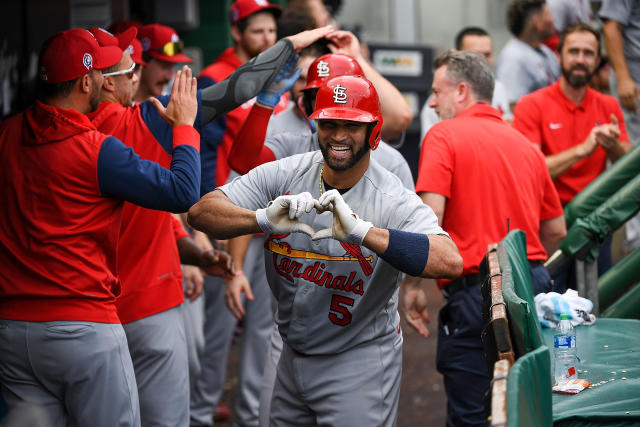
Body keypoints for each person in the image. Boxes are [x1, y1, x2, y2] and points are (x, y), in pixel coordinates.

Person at [188, 74, 463, 426]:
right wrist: (261, 219)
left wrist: (365, 232)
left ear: (373, 132)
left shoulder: (390, 196)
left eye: (350, 125)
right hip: (290, 353)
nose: (337, 135)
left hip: (357, 361)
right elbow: (201, 212)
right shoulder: (290, 171)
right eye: (329, 123)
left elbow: (449, 260)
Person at [0, 27, 203, 427]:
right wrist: (184, 126)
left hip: (12, 332)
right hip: (82, 327)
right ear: (88, 81)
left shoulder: (5, 135)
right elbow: (182, 192)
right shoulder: (93, 149)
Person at [87, 27, 235, 427]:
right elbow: (184, 194)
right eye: (131, 69)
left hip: (89, 316)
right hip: (142, 307)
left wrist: (199, 254)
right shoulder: (146, 120)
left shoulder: (65, 136)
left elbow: (153, 222)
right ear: (102, 82)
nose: (140, 77)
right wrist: (184, 124)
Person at [416, 50, 566, 426]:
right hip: (530, 289)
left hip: (476, 294)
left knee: (473, 415)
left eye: (437, 92)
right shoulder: (526, 147)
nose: (431, 102)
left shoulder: (442, 135)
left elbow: (428, 218)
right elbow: (556, 231)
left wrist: (412, 284)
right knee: (526, 408)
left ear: (462, 91)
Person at [513, 24, 632, 288]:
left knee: (596, 305)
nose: (580, 59)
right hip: (547, 225)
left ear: (598, 59)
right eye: (574, 51)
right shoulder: (532, 104)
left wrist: (611, 144)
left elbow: (626, 163)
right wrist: (583, 148)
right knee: (548, 303)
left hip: (596, 223)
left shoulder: (608, 104)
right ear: (559, 55)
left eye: (588, 53)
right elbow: (529, 170)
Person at [420, 26, 512, 142]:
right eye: (476, 55)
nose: (483, 61)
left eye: (487, 55)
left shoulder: (499, 88)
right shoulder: (437, 104)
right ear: (459, 56)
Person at [600, 0, 640, 252]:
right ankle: (635, 241)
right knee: (634, 162)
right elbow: (611, 27)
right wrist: (624, 77)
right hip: (634, 82)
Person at [496, 0, 561, 109]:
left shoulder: (545, 51)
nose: (553, 19)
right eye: (548, 14)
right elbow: (514, 107)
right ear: (537, 23)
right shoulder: (513, 58)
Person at [134, 23, 193, 102]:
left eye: (172, 66)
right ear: (142, 59)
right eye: (164, 66)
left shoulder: (169, 102)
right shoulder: (120, 107)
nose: (169, 77)